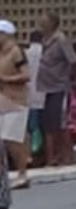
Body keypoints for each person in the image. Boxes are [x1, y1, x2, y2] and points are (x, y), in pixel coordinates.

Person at [0, 19, 31, 188]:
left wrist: (4, 78)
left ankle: (22, 173)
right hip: (4, 98)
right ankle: (16, 172)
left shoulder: (16, 52)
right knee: (6, 138)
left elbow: (26, 75)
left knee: (14, 138)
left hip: (17, 99)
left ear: (6, 34)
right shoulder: (2, 54)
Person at [35, 12, 76, 166]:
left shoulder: (61, 41)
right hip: (47, 88)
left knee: (61, 123)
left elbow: (72, 60)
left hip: (59, 87)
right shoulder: (45, 41)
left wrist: (68, 78)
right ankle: (53, 156)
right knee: (49, 123)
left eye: (44, 21)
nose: (40, 24)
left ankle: (67, 156)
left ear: (52, 23)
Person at [26, 30, 46, 164]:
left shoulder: (25, 54)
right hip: (45, 94)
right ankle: (42, 153)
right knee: (45, 127)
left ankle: (33, 153)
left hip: (29, 95)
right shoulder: (45, 54)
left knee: (32, 127)